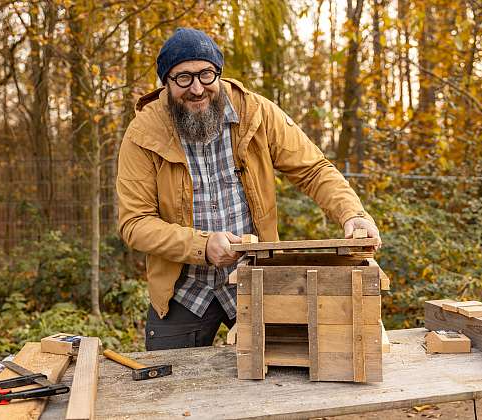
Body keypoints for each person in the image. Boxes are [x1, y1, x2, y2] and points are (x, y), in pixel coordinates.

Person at [117, 27, 381, 351]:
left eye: (206, 74)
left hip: (256, 277)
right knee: (171, 387)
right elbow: (135, 222)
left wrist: (352, 213)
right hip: (182, 289)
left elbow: (313, 169)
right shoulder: (143, 133)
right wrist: (202, 245)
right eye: (183, 78)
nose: (197, 88)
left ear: (218, 73)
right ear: (166, 82)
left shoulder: (256, 113)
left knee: (276, 377)